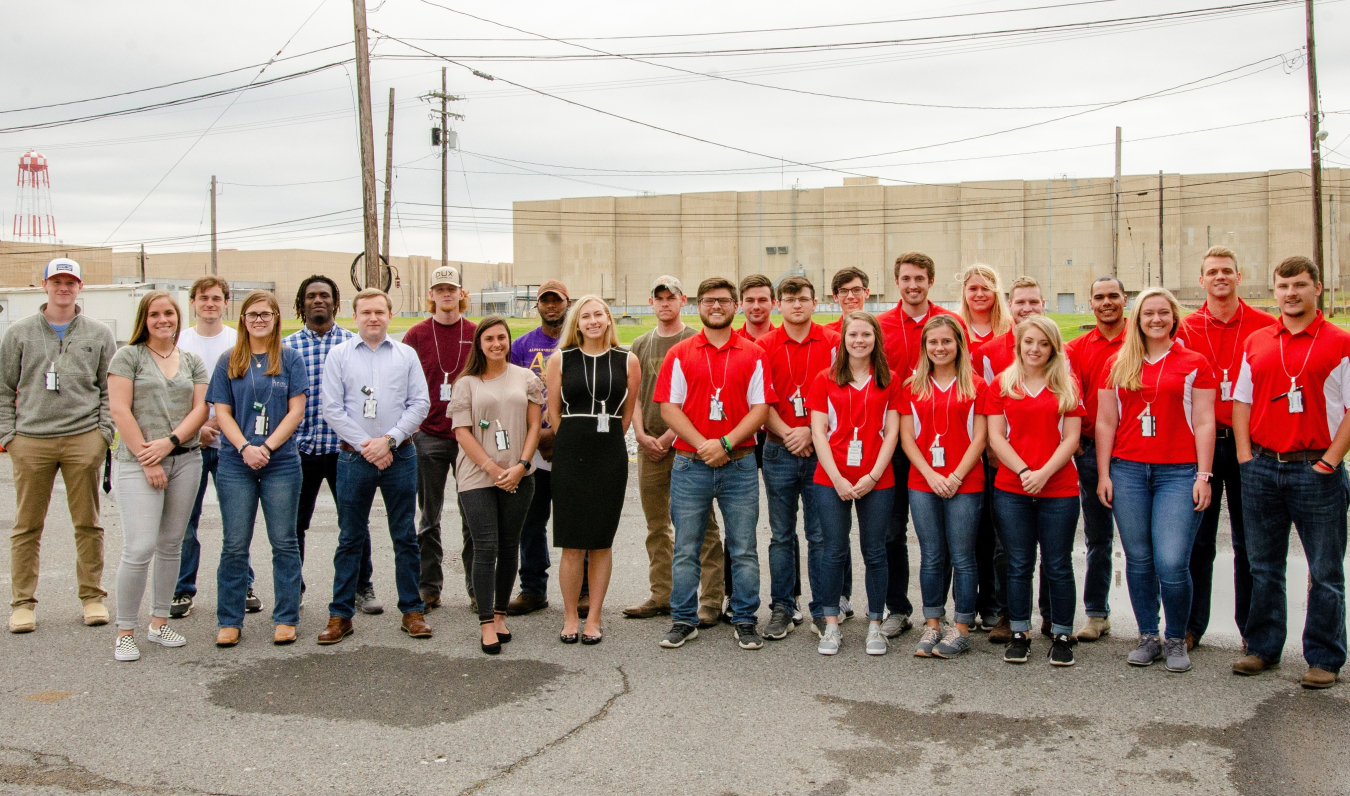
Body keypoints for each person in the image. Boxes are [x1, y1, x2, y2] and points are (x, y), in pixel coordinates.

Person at [1233, 255, 1350, 690]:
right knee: (1263, 565)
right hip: (1262, 466)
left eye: (1300, 285)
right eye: (1283, 286)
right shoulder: (1260, 341)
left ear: (1317, 288)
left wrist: (1330, 461)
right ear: (1274, 290)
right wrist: (1245, 456)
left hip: (1315, 468)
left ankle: (1323, 657)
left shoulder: (1340, 342)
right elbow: (1241, 401)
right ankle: (1262, 648)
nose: (1290, 293)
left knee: (1325, 569)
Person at [1096, 288, 1216, 674]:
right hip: (1128, 470)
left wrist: (1203, 474)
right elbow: (1105, 422)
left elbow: (1203, 421)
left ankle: (1176, 637)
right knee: (1140, 559)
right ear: (1138, 319)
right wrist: (1103, 474)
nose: (1156, 319)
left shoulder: (1195, 362)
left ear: (1174, 317)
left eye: (1163, 312)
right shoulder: (1117, 363)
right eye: (1148, 313)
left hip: (1178, 473)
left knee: (1171, 561)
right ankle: (1148, 635)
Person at [654, 277, 774, 651]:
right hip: (691, 464)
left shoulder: (754, 353)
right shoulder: (681, 353)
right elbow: (668, 407)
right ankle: (684, 619)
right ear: (698, 306)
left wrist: (724, 442)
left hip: (738, 463)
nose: (716, 306)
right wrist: (702, 444)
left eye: (723, 300)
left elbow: (761, 408)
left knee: (743, 547)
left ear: (735, 305)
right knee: (687, 546)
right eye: (709, 301)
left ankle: (744, 618)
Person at [1, 258, 115, 634]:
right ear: (44, 285)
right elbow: (4, 388)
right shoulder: (19, 333)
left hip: (83, 438)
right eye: (57, 281)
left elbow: (109, 389)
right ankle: (22, 604)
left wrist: (102, 434)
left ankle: (92, 597)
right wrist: (9, 437)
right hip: (31, 440)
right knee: (27, 525)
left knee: (88, 523)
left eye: (70, 282)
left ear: (80, 287)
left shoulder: (98, 334)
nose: (63, 288)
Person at [316, 289, 432, 645]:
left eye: (379, 311)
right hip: (355, 457)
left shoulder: (405, 355)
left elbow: (420, 403)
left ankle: (412, 611)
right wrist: (369, 447)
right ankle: (340, 615)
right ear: (355, 316)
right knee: (350, 537)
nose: (373, 318)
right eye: (365, 312)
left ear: (389, 315)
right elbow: (332, 408)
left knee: (405, 537)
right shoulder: (338, 356)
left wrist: (389, 441)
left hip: (400, 456)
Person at [1176, 246, 1276, 651]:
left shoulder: (1264, 326)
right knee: (1197, 542)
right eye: (1212, 271)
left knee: (1248, 543)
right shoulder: (1184, 327)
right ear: (1201, 280)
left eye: (1227, 271)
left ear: (1239, 277)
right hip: (1201, 446)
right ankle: (1190, 626)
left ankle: (1251, 632)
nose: (1220, 277)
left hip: (1247, 447)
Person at [107, 291, 209, 661]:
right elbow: (119, 409)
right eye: (154, 314)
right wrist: (147, 457)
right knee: (139, 548)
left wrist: (170, 443)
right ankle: (125, 631)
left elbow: (200, 410)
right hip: (138, 462)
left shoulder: (192, 361)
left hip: (185, 459)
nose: (163, 320)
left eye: (169, 313)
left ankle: (159, 621)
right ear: (144, 319)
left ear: (178, 318)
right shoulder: (128, 356)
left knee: (171, 544)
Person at [623, 276, 726, 626]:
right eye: (659, 298)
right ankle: (661, 594)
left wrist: (669, 436)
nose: (665, 303)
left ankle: (711, 600)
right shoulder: (639, 343)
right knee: (656, 526)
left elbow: (699, 399)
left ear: (683, 301)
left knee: (702, 528)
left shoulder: (696, 340)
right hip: (649, 446)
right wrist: (640, 433)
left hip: (688, 448)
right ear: (651, 302)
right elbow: (633, 395)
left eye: (671, 297)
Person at [206, 290, 306, 646]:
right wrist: (246, 447)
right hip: (236, 462)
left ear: (277, 318)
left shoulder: (291, 359)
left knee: (284, 541)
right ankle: (230, 620)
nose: (259, 320)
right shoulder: (228, 360)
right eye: (252, 315)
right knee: (234, 544)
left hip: (279, 462)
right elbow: (222, 412)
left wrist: (265, 447)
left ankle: (286, 617)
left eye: (266, 314)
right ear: (243, 320)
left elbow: (296, 411)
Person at [984, 315, 1083, 667]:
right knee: (1018, 563)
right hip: (1013, 488)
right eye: (1029, 342)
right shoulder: (1002, 384)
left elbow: (1071, 438)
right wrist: (1026, 471)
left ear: (1053, 347)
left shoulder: (1066, 385)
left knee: (1058, 564)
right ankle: (1020, 633)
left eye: (1043, 343)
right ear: (1018, 345)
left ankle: (1061, 634)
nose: (1035, 349)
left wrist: (1044, 473)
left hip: (1059, 488)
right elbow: (996, 437)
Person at [876, 252, 964, 639]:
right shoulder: (880, 326)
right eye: (906, 278)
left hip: (944, 445)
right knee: (892, 532)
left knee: (941, 537)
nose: (913, 285)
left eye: (920, 279)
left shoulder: (949, 323)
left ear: (931, 281)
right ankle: (899, 608)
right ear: (897, 282)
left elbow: (968, 380)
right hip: (894, 444)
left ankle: (939, 612)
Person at [545, 297, 640, 643]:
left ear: (609, 319)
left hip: (608, 456)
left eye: (598, 314)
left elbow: (627, 414)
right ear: (577, 323)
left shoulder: (627, 360)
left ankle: (594, 618)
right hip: (571, 453)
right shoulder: (560, 359)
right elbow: (553, 412)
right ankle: (570, 616)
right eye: (585, 316)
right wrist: (571, 438)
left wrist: (609, 438)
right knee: (572, 543)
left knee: (601, 542)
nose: (593, 320)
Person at [284, 275, 380, 614]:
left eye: (324, 295)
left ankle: (361, 585)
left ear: (335, 302)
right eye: (311, 296)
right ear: (302, 303)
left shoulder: (355, 344)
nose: (318, 301)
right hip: (302, 450)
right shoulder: (288, 347)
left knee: (354, 523)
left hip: (346, 450)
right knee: (294, 524)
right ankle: (292, 587)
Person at [807, 311, 900, 656]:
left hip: (877, 477)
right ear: (843, 341)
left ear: (876, 339)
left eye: (866, 335)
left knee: (875, 551)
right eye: (852, 335)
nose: (859, 341)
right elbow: (818, 431)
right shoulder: (825, 378)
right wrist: (837, 479)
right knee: (833, 550)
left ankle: (875, 624)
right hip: (832, 477)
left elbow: (892, 433)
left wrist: (872, 475)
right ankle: (831, 625)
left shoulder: (890, 380)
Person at [450, 317, 545, 654]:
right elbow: (462, 432)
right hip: (478, 476)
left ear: (508, 341)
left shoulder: (527, 378)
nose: (496, 344)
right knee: (485, 546)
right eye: (489, 338)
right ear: (479, 343)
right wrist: (491, 467)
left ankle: (501, 614)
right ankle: (486, 622)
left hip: (519, 474)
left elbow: (535, 425)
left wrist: (521, 465)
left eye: (502, 338)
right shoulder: (467, 384)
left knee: (509, 546)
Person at [901, 315, 989, 659]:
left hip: (965, 483)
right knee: (932, 555)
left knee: (963, 556)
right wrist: (932, 475)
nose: (940, 348)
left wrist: (954, 476)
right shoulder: (911, 386)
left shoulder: (977, 386)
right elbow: (908, 438)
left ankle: (962, 626)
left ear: (959, 345)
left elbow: (980, 436)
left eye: (946, 342)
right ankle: (933, 622)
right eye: (933, 342)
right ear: (925, 347)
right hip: (923, 482)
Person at [759, 276, 840, 640]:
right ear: (779, 304)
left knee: (820, 535)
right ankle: (782, 606)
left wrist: (809, 429)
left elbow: (841, 395)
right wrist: (789, 433)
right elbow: (760, 399)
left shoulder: (833, 342)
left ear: (815, 302)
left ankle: (824, 609)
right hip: (778, 448)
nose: (796, 305)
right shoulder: (764, 346)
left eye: (803, 299)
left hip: (821, 450)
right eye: (789, 299)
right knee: (780, 534)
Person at [974, 275, 1051, 641]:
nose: (1027, 309)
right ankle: (1007, 614)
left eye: (1034, 302)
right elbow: (988, 413)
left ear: (1044, 304)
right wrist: (998, 455)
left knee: (1053, 547)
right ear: (1009, 304)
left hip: (1052, 465)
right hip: (1004, 464)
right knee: (1006, 545)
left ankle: (1053, 616)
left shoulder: (1055, 347)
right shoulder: (990, 352)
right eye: (1021, 302)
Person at [173, 276, 253, 619]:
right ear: (193, 302)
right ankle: (181, 589)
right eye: (203, 298)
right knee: (184, 520)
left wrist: (217, 424)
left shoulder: (239, 341)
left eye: (216, 298)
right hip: (190, 445)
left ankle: (243, 585)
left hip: (232, 446)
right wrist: (198, 428)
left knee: (237, 520)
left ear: (225, 303)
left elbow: (247, 394)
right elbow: (174, 393)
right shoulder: (180, 341)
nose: (210, 304)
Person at [401, 266, 476, 611]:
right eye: (439, 289)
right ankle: (429, 586)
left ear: (461, 294)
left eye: (452, 289)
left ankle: (477, 588)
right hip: (428, 435)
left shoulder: (475, 333)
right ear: (430, 295)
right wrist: (411, 428)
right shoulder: (416, 335)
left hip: (467, 437)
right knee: (428, 518)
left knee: (472, 514)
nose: (446, 295)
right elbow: (400, 383)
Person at [1063, 276, 1128, 643]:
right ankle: (1096, 613)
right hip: (1090, 451)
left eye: (1113, 296)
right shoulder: (1075, 349)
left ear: (1124, 300)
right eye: (1099, 297)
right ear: (1090, 303)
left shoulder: (1140, 339)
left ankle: (1155, 620)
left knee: (1143, 544)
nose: (1106, 302)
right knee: (1097, 536)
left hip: (1135, 451)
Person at [505, 281, 570, 616]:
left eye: (556, 301)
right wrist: (539, 437)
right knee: (531, 522)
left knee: (574, 521)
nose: (550, 307)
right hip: (534, 445)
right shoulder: (521, 346)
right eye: (545, 301)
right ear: (538, 306)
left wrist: (557, 435)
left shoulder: (576, 340)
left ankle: (583, 590)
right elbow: (514, 395)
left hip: (570, 445)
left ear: (566, 303)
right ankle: (532, 588)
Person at [957, 264, 1012, 635]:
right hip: (961, 443)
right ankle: (966, 604)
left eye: (986, 288)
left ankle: (994, 604)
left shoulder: (1010, 335)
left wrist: (996, 444)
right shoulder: (954, 330)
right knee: (968, 531)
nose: (979, 294)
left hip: (999, 445)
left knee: (997, 531)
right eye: (973, 287)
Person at [957, 264, 1011, 355]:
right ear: (964, 291)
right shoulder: (954, 326)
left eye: (986, 288)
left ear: (995, 292)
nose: (980, 294)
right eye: (973, 289)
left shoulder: (1011, 326)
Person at [825, 267, 870, 335]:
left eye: (856, 290)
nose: (850, 296)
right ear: (835, 296)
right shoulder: (826, 334)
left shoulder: (880, 330)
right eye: (843, 291)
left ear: (866, 293)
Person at [735, 273, 778, 343]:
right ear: (741, 304)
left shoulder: (786, 343)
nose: (756, 307)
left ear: (773, 303)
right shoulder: (730, 341)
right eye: (750, 301)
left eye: (762, 300)